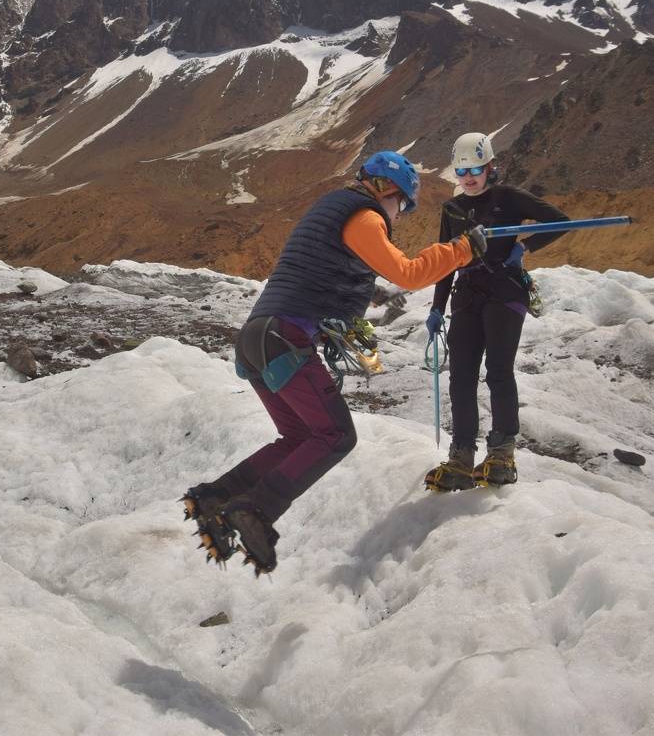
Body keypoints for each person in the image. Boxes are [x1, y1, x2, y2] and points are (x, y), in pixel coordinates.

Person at [184, 151, 486, 575]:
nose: (398, 216)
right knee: (336, 436)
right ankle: (255, 509)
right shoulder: (363, 217)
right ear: (388, 190)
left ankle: (215, 497)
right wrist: (461, 250)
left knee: (299, 437)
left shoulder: (332, 212)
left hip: (257, 340)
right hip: (284, 338)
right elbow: (409, 273)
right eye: (402, 205)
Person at [423, 132, 568, 492]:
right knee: (460, 377)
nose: (468, 177)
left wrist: (524, 247)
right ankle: (461, 458)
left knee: (499, 372)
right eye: (461, 171)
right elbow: (445, 261)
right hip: (466, 296)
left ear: (490, 167)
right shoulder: (452, 209)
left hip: (505, 290)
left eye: (475, 169)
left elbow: (559, 220)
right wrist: (437, 307)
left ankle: (502, 454)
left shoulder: (508, 198)